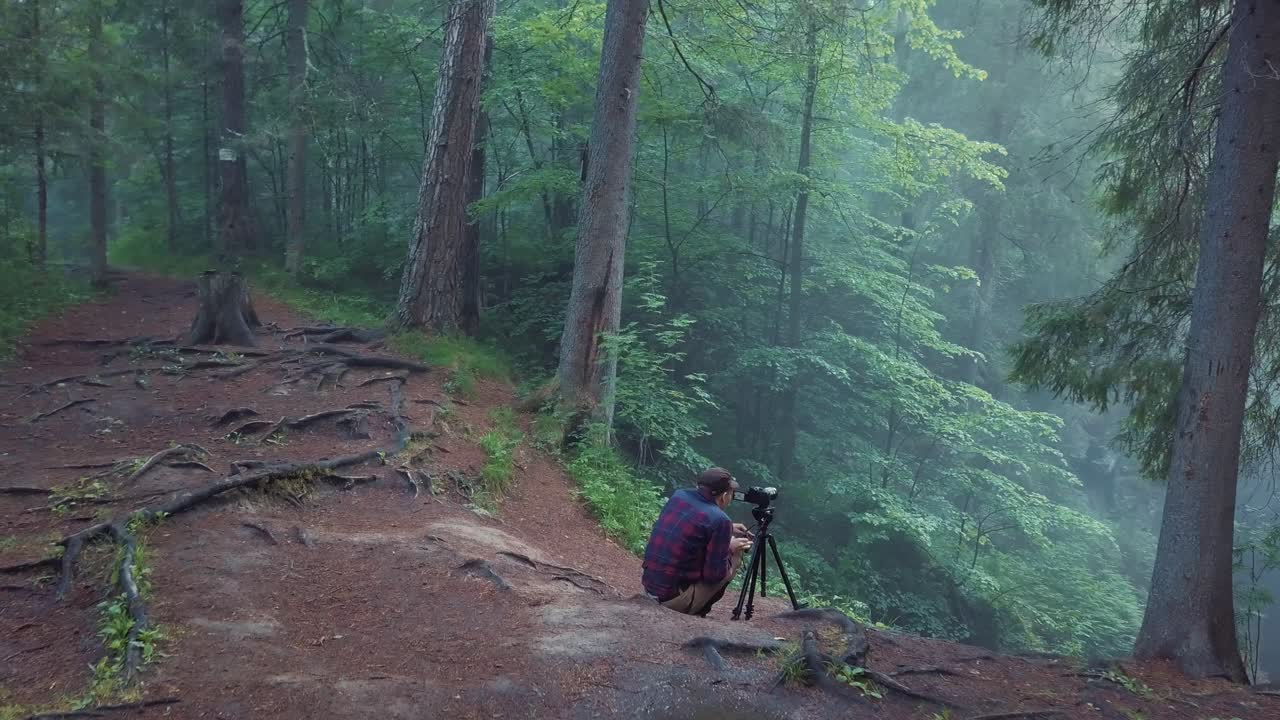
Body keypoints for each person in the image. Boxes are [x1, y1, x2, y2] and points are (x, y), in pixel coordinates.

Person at [641, 467, 753, 617]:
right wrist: (730, 548)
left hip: (651, 589)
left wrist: (729, 528)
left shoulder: (679, 496)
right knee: (734, 558)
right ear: (724, 496)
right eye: (731, 494)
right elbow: (715, 575)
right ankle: (696, 612)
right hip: (671, 599)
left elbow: (689, 521)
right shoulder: (720, 520)